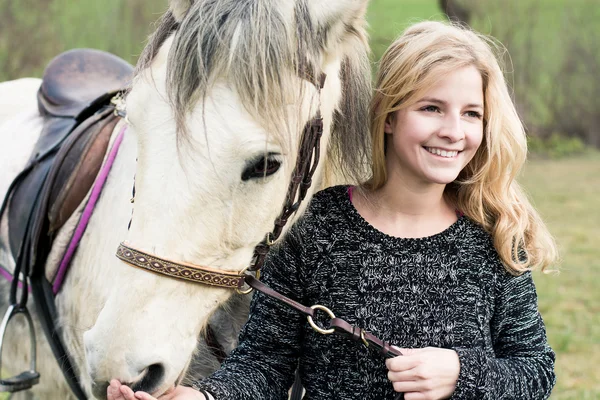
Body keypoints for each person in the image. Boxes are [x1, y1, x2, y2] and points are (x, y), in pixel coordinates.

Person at [108, 20, 557, 400]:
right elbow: (264, 364)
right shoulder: (319, 225)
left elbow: (535, 371)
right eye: (431, 108)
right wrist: (203, 397)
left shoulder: (495, 234)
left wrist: (462, 374)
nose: (453, 131)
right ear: (389, 116)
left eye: (472, 114)